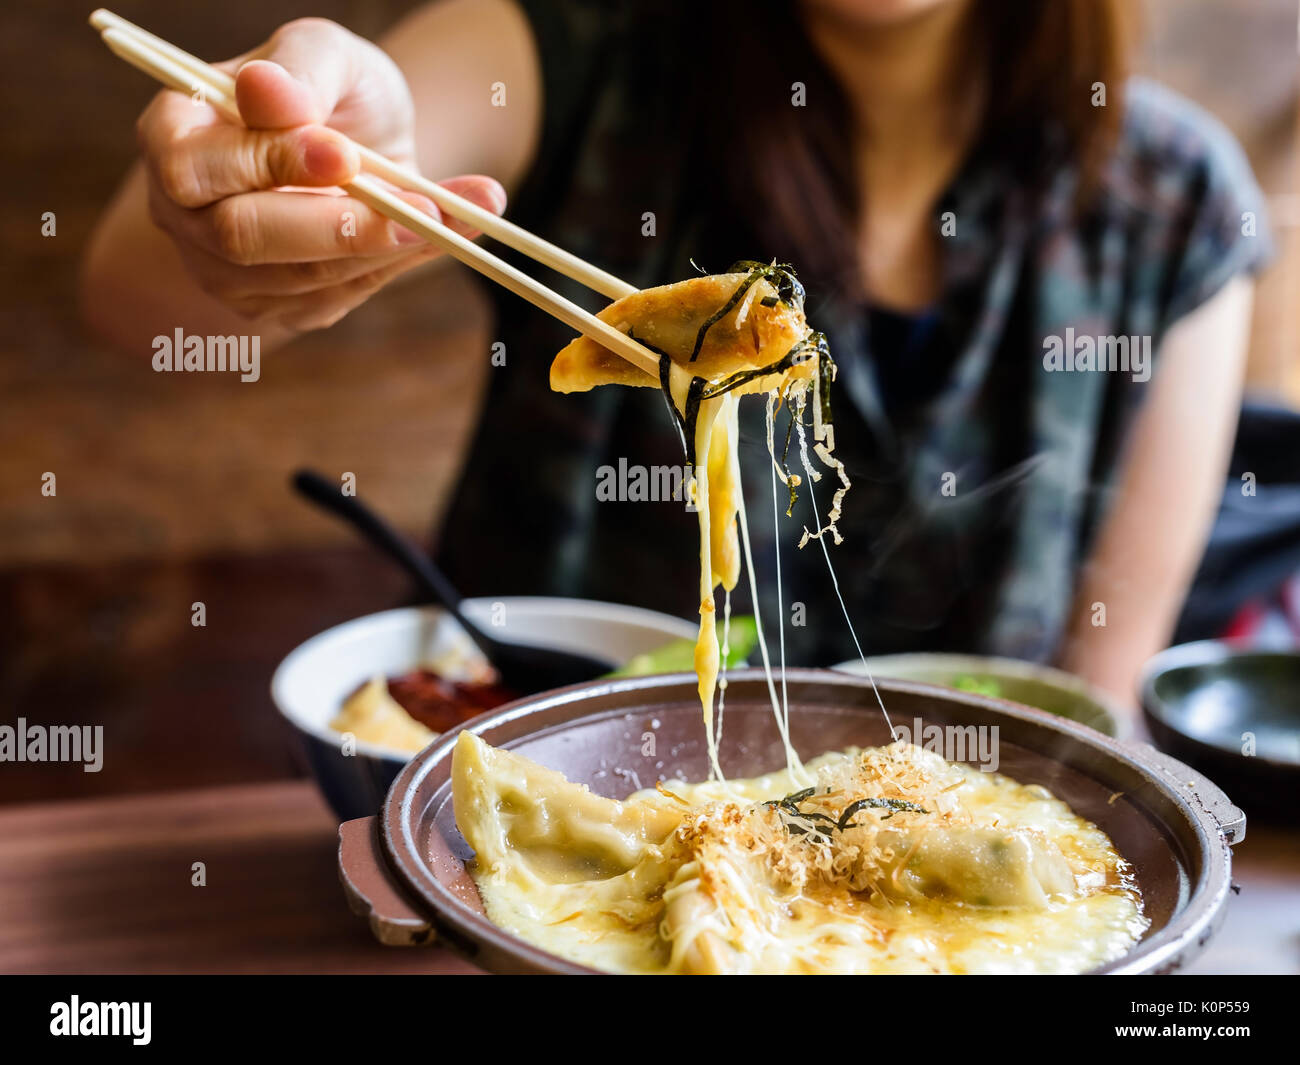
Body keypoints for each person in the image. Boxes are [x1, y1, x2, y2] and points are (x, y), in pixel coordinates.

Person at [81, 0, 1272, 705]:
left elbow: (1092, 712)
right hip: (516, 869)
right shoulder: (577, 56)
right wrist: (290, 172)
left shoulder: (1173, 206)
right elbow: (132, 289)